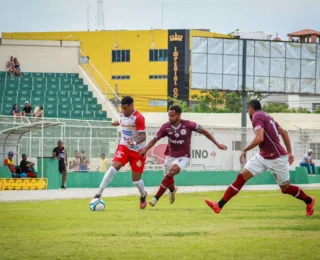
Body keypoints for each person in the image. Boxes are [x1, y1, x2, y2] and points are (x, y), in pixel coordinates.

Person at [205, 100, 315, 216]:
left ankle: (309, 200)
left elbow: (259, 138)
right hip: (263, 156)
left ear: (251, 110)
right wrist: (290, 152)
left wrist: (245, 150)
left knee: (285, 188)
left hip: (276, 158)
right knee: (241, 177)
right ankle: (219, 205)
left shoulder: (256, 116)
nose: (248, 113)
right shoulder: (267, 116)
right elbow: (284, 133)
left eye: (248, 110)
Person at [139, 105, 228, 207]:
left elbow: (205, 132)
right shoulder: (165, 127)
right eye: (169, 115)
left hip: (184, 156)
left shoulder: (189, 125)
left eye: (172, 116)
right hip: (170, 156)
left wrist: (217, 144)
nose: (170, 118)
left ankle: (156, 198)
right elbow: (155, 139)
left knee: (172, 172)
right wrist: (146, 149)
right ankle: (172, 190)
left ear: (179, 115)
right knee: (168, 176)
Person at [93, 96, 148, 209]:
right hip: (124, 146)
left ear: (132, 106)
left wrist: (133, 142)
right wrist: (118, 122)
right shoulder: (122, 114)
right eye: (122, 108)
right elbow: (123, 120)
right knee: (113, 167)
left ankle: (143, 195)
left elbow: (143, 136)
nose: (123, 111)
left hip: (137, 151)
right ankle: (98, 193)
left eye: (125, 108)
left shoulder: (139, 118)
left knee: (136, 180)